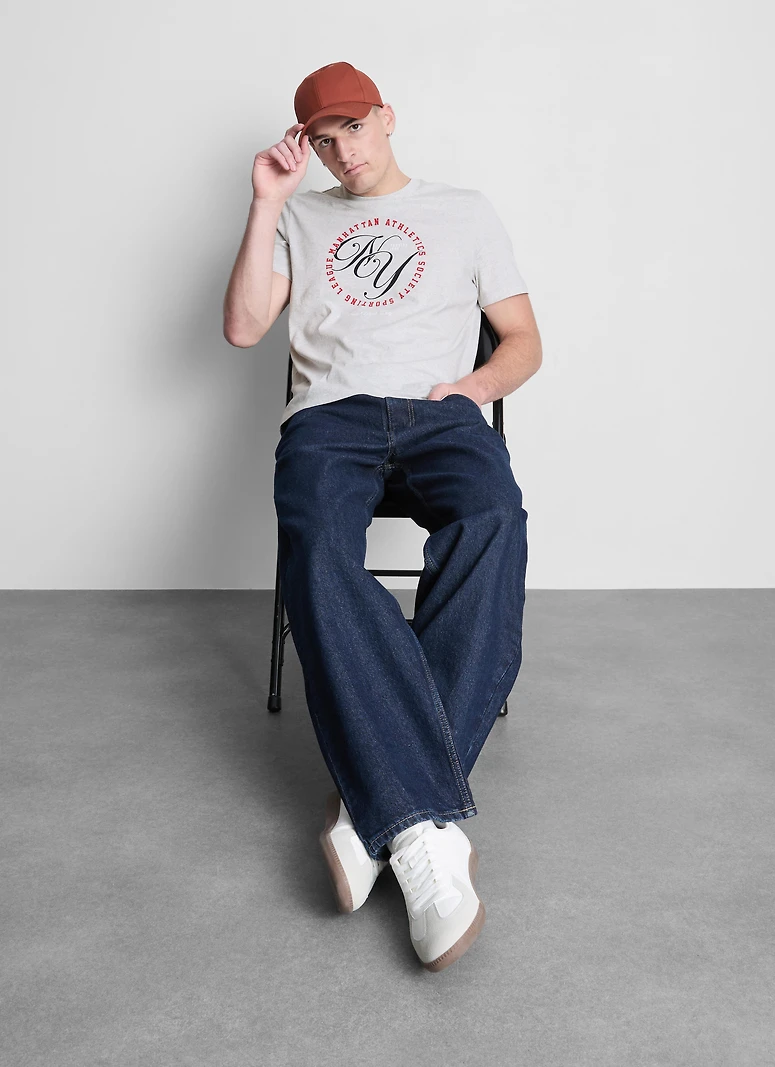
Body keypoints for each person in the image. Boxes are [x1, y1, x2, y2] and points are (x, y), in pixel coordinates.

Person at [223, 62, 542, 971]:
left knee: (494, 521)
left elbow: (524, 342)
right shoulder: (299, 214)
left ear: (387, 118)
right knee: (320, 548)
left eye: (354, 129)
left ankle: (376, 809)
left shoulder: (465, 210)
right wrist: (265, 202)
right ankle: (424, 831)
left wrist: (471, 389)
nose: (342, 151)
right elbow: (244, 328)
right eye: (324, 141)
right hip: (331, 420)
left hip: (443, 412)